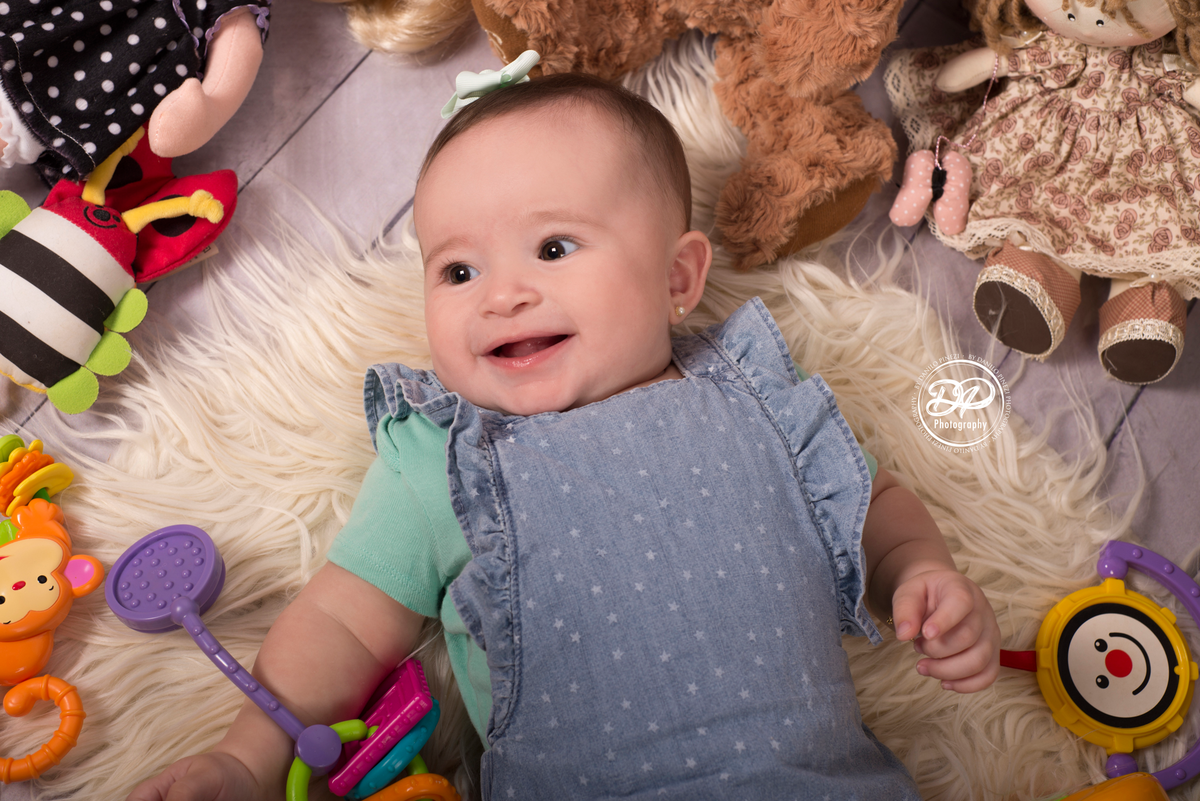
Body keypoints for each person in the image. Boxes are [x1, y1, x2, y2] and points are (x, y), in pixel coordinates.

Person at [128, 72, 1000, 801]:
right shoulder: (447, 452)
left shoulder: (759, 400)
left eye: (552, 248)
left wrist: (917, 571)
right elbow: (346, 619)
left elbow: (870, 501)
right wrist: (251, 752)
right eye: (458, 270)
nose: (501, 295)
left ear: (678, 277)